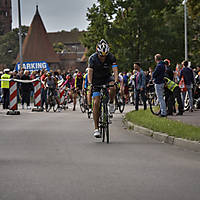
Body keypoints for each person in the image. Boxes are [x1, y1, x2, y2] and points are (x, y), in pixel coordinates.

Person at [88, 39, 118, 138]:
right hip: (96, 80)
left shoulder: (111, 57)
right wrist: (90, 83)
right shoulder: (92, 58)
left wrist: (116, 81)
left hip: (106, 78)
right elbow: (90, 72)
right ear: (97, 53)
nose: (103, 58)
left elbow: (115, 70)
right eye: (101, 56)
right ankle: (96, 128)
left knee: (113, 86)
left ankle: (111, 103)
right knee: (96, 103)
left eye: (105, 56)